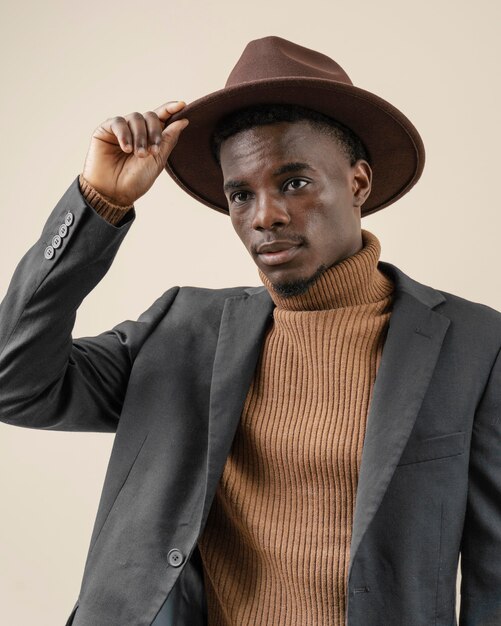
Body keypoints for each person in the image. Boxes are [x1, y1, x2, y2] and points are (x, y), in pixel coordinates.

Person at [0, 35, 500, 626]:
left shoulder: (475, 345)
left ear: (359, 183)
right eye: (241, 194)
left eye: (294, 182)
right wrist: (98, 203)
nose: (265, 216)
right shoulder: (179, 330)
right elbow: (15, 382)